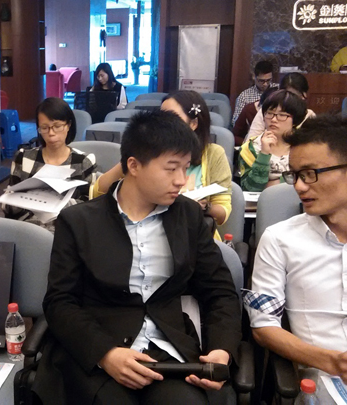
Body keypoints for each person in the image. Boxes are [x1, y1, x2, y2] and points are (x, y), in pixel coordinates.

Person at [33, 110, 242, 405]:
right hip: (97, 348)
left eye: (186, 168)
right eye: (171, 169)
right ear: (133, 165)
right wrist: (105, 353)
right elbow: (59, 301)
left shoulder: (188, 216)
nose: (181, 180)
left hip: (167, 349)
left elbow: (220, 291)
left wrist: (221, 349)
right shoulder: (79, 221)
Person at [244, 115, 347, 401]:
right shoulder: (280, 239)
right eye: (295, 175)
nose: (300, 187)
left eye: (310, 173)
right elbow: (263, 327)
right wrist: (332, 361)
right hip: (322, 379)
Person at [93, 91, 232, 232]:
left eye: (173, 117)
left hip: (191, 230)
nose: (165, 123)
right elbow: (99, 191)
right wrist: (134, 155)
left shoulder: (214, 154)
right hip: (145, 227)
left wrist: (203, 207)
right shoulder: (150, 151)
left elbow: (223, 212)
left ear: (193, 123)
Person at [2, 97, 96, 231]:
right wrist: (17, 200)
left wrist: (55, 203)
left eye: (57, 126)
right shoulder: (23, 157)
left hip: (65, 230)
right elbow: (8, 209)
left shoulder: (83, 161)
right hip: (27, 230)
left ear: (68, 125)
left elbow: (88, 209)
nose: (51, 133)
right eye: (44, 128)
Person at [238, 90, 307, 192]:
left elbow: (311, 181)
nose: (274, 120)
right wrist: (264, 154)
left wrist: (275, 183)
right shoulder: (250, 148)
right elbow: (250, 189)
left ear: (295, 120)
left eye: (282, 115)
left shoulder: (306, 146)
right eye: (269, 113)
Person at [245, 72, 315, 140]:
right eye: (287, 95)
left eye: (294, 96)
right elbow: (251, 140)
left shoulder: (309, 115)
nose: (274, 119)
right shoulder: (268, 112)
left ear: (304, 95)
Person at [232, 60, 278, 125]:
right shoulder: (244, 96)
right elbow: (236, 121)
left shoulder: (278, 90)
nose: (265, 84)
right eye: (261, 81)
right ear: (254, 77)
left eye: (268, 80)